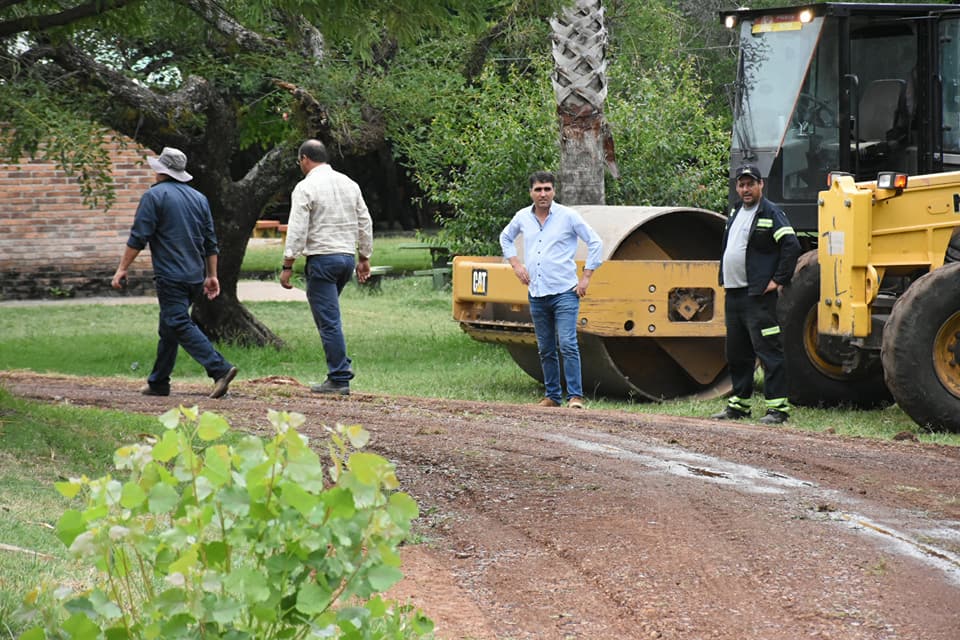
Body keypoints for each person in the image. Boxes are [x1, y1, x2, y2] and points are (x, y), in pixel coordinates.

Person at [111, 147, 238, 399]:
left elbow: (139, 236)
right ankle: (159, 382)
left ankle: (219, 369)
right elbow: (210, 241)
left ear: (160, 170)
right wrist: (212, 275)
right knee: (169, 326)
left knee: (177, 322)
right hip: (194, 276)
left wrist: (122, 268)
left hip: (170, 275)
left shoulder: (154, 196)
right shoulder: (199, 198)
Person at [500, 170, 603, 409]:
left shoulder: (568, 216)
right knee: (545, 347)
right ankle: (552, 396)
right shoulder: (522, 217)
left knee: (567, 343)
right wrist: (515, 264)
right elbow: (505, 238)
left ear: (554, 191)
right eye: (538, 189)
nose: (543, 194)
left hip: (565, 291)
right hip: (537, 293)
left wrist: (587, 276)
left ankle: (575, 396)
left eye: (547, 189)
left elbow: (595, 241)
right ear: (531, 192)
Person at [280, 139, 373, 396]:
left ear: (305, 159)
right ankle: (342, 366)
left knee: (328, 321)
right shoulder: (349, 183)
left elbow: (297, 229)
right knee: (329, 316)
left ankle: (339, 377)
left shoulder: (306, 186)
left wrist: (288, 263)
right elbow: (365, 221)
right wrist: (364, 257)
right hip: (345, 259)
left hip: (322, 259)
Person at [712, 164, 801, 425]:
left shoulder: (771, 212)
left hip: (758, 297)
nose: (745, 189)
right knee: (737, 352)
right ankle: (738, 405)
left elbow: (791, 245)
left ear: (761, 185)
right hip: (735, 294)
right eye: (741, 184)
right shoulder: (736, 211)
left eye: (750, 184)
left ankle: (778, 409)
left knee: (768, 351)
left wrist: (778, 280)